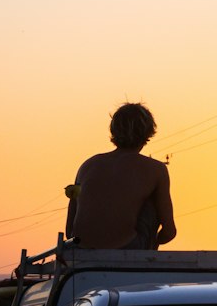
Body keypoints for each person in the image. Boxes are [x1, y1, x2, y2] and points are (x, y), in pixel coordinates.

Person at [65, 102, 176, 250]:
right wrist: (152, 244)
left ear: (114, 130)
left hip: (80, 247)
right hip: (127, 247)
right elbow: (169, 232)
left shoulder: (88, 165)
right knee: (151, 202)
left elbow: (69, 230)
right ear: (148, 133)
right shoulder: (156, 169)